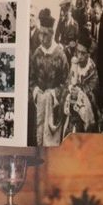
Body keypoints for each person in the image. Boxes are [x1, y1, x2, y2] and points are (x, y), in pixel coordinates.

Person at [30, 8, 68, 145]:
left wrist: (53, 94)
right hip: (39, 105)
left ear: (52, 34)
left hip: (54, 108)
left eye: (45, 35)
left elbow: (66, 82)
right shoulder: (37, 54)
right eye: (40, 34)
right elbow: (31, 79)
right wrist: (36, 91)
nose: (41, 38)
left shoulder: (60, 55)